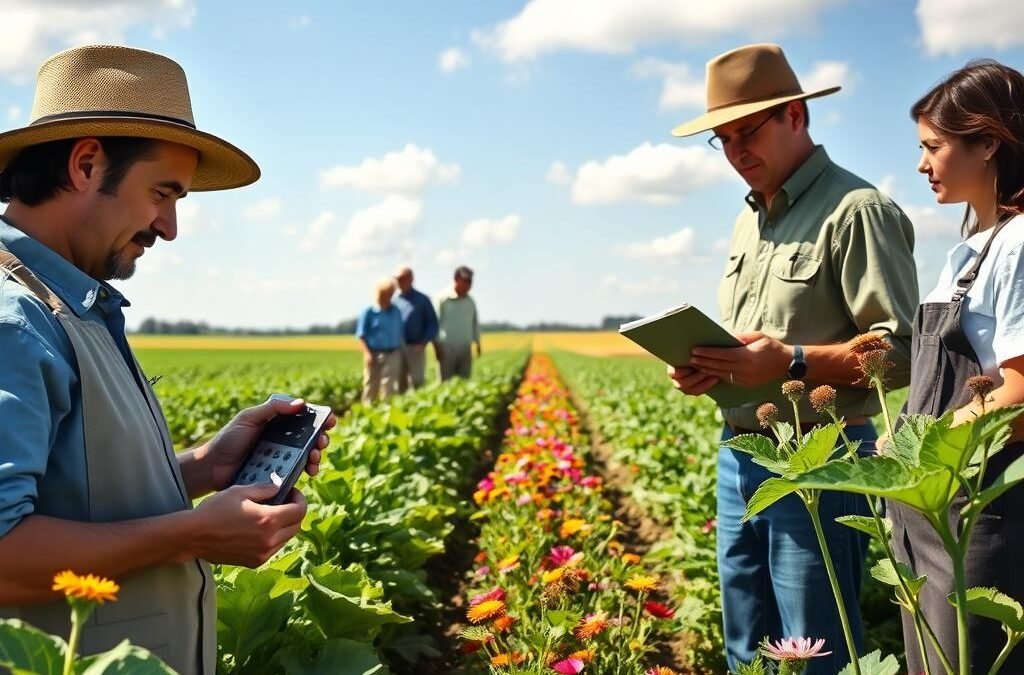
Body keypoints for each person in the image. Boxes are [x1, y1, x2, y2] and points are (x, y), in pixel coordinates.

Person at [0, 45, 335, 674]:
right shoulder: (11, 322)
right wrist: (195, 532)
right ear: (86, 163)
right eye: (163, 192)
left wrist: (207, 466)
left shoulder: (73, 305)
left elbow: (82, 500)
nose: (170, 225)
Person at [666, 44, 918, 673]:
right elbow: (755, 345)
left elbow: (906, 353)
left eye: (747, 131)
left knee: (814, 646)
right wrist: (709, 367)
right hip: (742, 454)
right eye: (721, 139)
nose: (736, 152)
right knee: (746, 640)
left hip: (825, 458)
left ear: (797, 116)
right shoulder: (747, 222)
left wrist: (790, 363)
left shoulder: (856, 211)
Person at [891, 59, 1024, 674]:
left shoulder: (1020, 243)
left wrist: (927, 445)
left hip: (974, 517)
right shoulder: (976, 248)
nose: (922, 165)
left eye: (934, 147)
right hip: (934, 510)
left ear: (990, 143)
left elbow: (1020, 395)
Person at [355, 277, 404, 404]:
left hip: (393, 352)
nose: (387, 297)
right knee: (371, 383)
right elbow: (361, 335)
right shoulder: (369, 312)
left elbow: (399, 332)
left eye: (390, 294)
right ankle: (367, 409)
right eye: (385, 294)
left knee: (389, 385)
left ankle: (386, 410)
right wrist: (367, 353)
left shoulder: (396, 311)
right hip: (374, 353)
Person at [392, 266, 439, 392]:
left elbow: (432, 323)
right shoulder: (393, 300)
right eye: (397, 279)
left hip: (416, 347)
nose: (399, 282)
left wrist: (423, 343)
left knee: (417, 382)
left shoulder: (422, 299)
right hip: (397, 348)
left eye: (402, 279)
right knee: (400, 383)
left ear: (411, 279)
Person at [437, 265, 480, 381]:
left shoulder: (470, 301)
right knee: (445, 382)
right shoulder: (443, 298)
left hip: (466, 347)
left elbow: (474, 323)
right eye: (465, 281)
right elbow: (435, 323)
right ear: (456, 279)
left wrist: (478, 343)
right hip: (446, 348)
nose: (468, 284)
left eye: (470, 281)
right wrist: (437, 347)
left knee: (464, 380)